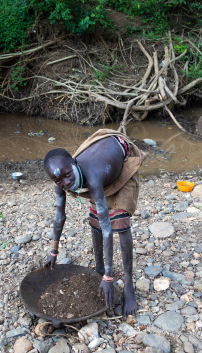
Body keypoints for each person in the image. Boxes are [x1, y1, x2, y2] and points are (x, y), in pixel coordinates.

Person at [43, 129, 145, 317]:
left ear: (73, 164)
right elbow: (60, 216)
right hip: (98, 171)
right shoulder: (61, 178)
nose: (66, 182)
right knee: (94, 218)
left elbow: (108, 229)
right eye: (59, 180)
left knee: (120, 221)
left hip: (121, 163)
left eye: (67, 175)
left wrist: (109, 276)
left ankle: (129, 286)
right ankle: (99, 268)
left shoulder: (92, 176)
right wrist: (53, 251)